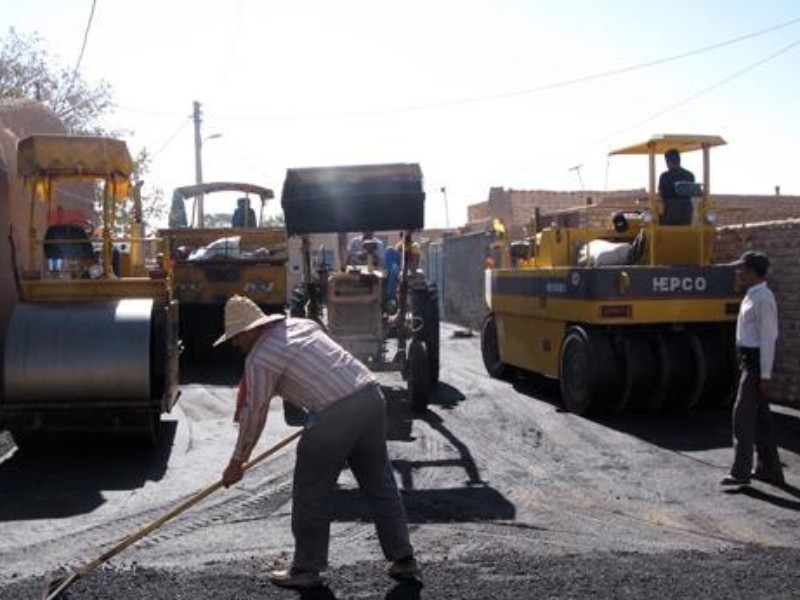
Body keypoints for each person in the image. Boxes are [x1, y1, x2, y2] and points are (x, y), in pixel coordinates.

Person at [216, 295, 419, 589]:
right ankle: (403, 557)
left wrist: (238, 462)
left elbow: (254, 413)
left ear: (249, 331)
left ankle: (306, 568)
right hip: (370, 395)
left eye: (236, 338)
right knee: (379, 481)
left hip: (335, 412)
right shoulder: (302, 325)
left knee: (311, 488)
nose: (236, 344)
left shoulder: (260, 357)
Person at [721, 251, 784, 487]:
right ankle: (771, 470)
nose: (740, 273)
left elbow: (768, 339)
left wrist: (765, 375)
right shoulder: (752, 295)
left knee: (742, 419)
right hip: (749, 361)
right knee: (760, 420)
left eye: (743, 269)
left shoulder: (763, 298)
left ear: (753, 272)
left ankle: (741, 473)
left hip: (756, 364)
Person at [658, 148, 695, 226]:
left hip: (671, 214)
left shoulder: (665, 176)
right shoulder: (690, 175)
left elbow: (661, 195)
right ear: (679, 160)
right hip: (687, 214)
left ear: (668, 161)